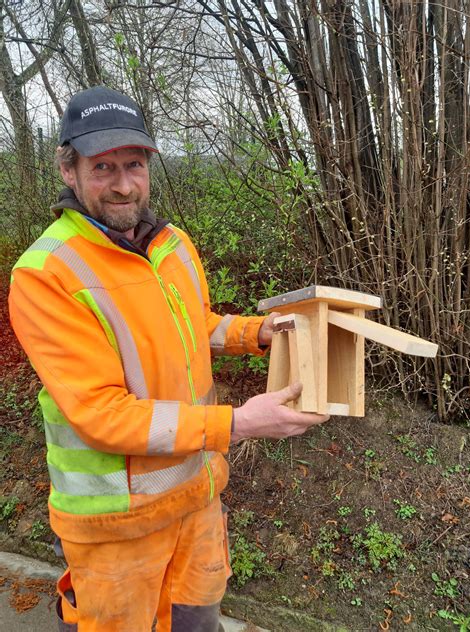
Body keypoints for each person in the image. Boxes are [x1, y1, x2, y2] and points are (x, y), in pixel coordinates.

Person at [8, 86, 329, 632]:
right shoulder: (48, 273)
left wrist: (260, 332)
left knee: (198, 621)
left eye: (134, 164)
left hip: (197, 501)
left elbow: (193, 328)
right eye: (103, 166)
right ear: (69, 169)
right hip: (116, 529)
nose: (123, 183)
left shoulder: (173, 245)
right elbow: (101, 412)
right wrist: (240, 422)